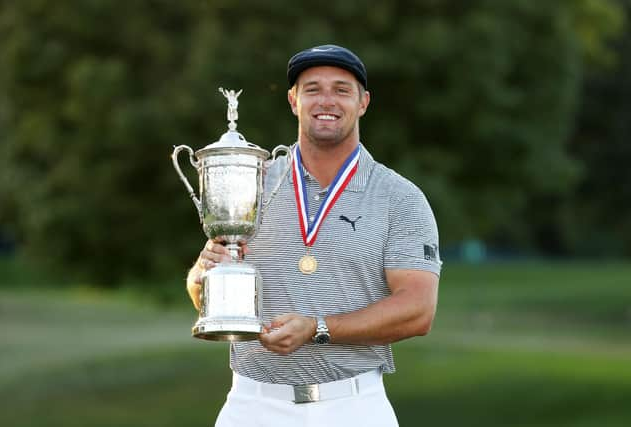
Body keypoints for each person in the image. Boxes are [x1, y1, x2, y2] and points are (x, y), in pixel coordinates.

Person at [185, 44, 442, 427]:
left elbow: (418, 310)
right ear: (293, 100)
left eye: (341, 89)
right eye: (312, 88)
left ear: (363, 102)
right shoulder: (249, 182)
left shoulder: (399, 196)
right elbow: (201, 291)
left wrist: (318, 328)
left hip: (354, 405)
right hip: (252, 404)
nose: (327, 100)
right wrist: (203, 273)